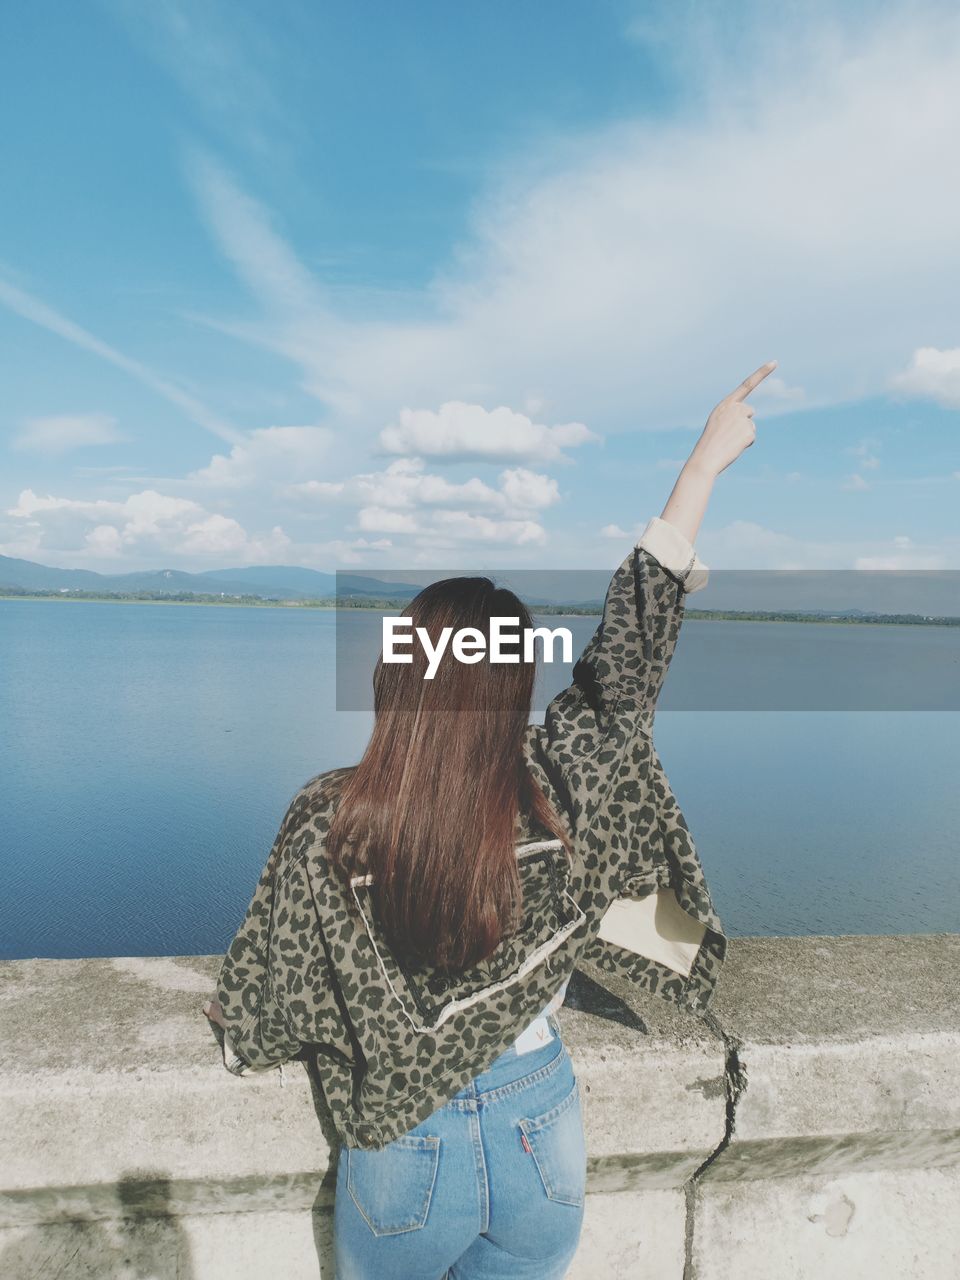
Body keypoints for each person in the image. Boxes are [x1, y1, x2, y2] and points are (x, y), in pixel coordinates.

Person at [203, 361, 776, 1279]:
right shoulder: (553, 788)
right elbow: (623, 667)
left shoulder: (329, 817)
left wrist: (241, 1037)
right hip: (540, 1122)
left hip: (402, 1148)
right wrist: (699, 471)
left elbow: (273, 995)